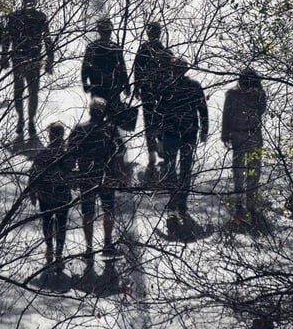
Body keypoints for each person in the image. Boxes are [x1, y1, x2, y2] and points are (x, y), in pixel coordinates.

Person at [67, 98, 125, 260]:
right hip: (107, 176)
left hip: (86, 177)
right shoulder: (111, 129)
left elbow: (70, 154)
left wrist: (72, 174)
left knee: (88, 213)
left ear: (90, 111)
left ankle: (89, 248)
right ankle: (107, 244)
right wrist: (121, 177)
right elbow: (119, 155)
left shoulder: (79, 130)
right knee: (108, 210)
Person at [156, 57, 208, 232]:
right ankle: (181, 205)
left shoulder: (166, 86)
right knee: (184, 170)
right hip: (187, 134)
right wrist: (204, 130)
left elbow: (159, 112)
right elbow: (203, 109)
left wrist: (157, 133)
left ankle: (174, 204)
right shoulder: (194, 86)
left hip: (173, 134)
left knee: (172, 169)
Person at [4, 0, 55, 143]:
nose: (29, 2)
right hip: (22, 59)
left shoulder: (38, 17)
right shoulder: (15, 17)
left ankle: (29, 120)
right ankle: (22, 118)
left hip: (31, 59)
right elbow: (7, 37)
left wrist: (49, 60)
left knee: (31, 93)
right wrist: (4, 55)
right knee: (20, 92)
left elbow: (47, 39)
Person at [221, 68, 268, 225]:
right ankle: (247, 202)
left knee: (242, 170)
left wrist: (225, 134)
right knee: (249, 170)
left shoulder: (234, 94)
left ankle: (244, 201)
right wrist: (225, 133)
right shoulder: (256, 93)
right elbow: (262, 110)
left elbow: (226, 115)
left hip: (240, 134)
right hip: (249, 134)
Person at [27, 122, 73, 271]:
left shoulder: (41, 155)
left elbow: (33, 175)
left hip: (45, 196)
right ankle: (59, 252)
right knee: (61, 224)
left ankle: (49, 248)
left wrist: (32, 193)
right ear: (62, 135)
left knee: (46, 222)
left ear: (49, 135)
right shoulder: (67, 155)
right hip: (62, 195)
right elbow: (73, 174)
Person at [133, 22, 174, 184]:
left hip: (150, 93)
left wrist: (136, 87)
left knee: (150, 123)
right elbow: (172, 73)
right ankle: (159, 152)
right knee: (160, 122)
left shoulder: (145, 49)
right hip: (160, 94)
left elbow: (137, 69)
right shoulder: (165, 51)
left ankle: (153, 155)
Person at [82, 17, 130, 115]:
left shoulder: (115, 48)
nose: (107, 33)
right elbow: (86, 67)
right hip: (98, 87)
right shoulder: (93, 48)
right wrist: (85, 83)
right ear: (99, 31)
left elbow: (122, 68)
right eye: (104, 31)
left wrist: (126, 85)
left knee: (112, 117)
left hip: (112, 88)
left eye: (108, 31)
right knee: (97, 117)